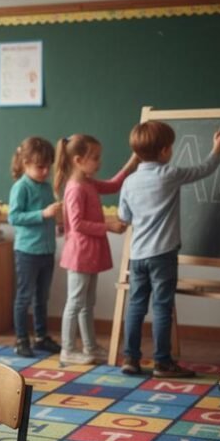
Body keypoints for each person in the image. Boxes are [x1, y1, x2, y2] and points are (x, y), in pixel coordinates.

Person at [118, 122, 220, 378]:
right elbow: (204, 169)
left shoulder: (129, 181)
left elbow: (125, 217)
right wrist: (217, 148)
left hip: (137, 255)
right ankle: (162, 362)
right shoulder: (169, 174)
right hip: (163, 254)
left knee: (135, 305)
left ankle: (131, 359)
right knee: (162, 306)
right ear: (166, 150)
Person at [55, 135, 139, 365]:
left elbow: (113, 185)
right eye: (95, 158)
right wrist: (109, 226)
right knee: (75, 302)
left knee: (86, 303)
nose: (99, 162)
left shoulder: (89, 182)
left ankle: (90, 346)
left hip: (89, 253)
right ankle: (68, 349)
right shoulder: (75, 188)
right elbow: (78, 223)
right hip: (80, 254)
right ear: (78, 159)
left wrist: (131, 164)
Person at [7, 137, 63, 357]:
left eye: (48, 166)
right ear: (25, 163)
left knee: (42, 297)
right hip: (27, 252)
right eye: (40, 166)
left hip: (47, 250)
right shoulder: (21, 187)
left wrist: (58, 224)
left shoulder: (47, 186)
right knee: (24, 297)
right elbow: (14, 217)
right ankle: (21, 339)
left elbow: (49, 215)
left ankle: (41, 337)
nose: (45, 170)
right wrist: (43, 214)